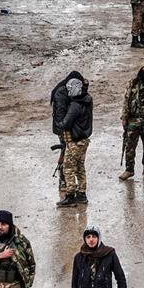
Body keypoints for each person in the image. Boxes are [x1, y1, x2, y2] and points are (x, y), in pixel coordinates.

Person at [56, 77, 92, 207]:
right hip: (84, 140)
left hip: (75, 141)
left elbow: (66, 123)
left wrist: (59, 123)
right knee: (80, 167)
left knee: (69, 167)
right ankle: (82, 194)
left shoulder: (75, 105)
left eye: (70, 89)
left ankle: (70, 196)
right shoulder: (87, 100)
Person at [51, 71, 86, 199]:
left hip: (68, 127)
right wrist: (64, 128)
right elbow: (60, 113)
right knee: (66, 157)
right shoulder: (61, 92)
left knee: (70, 157)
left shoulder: (67, 89)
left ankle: (68, 183)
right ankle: (64, 182)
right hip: (64, 129)